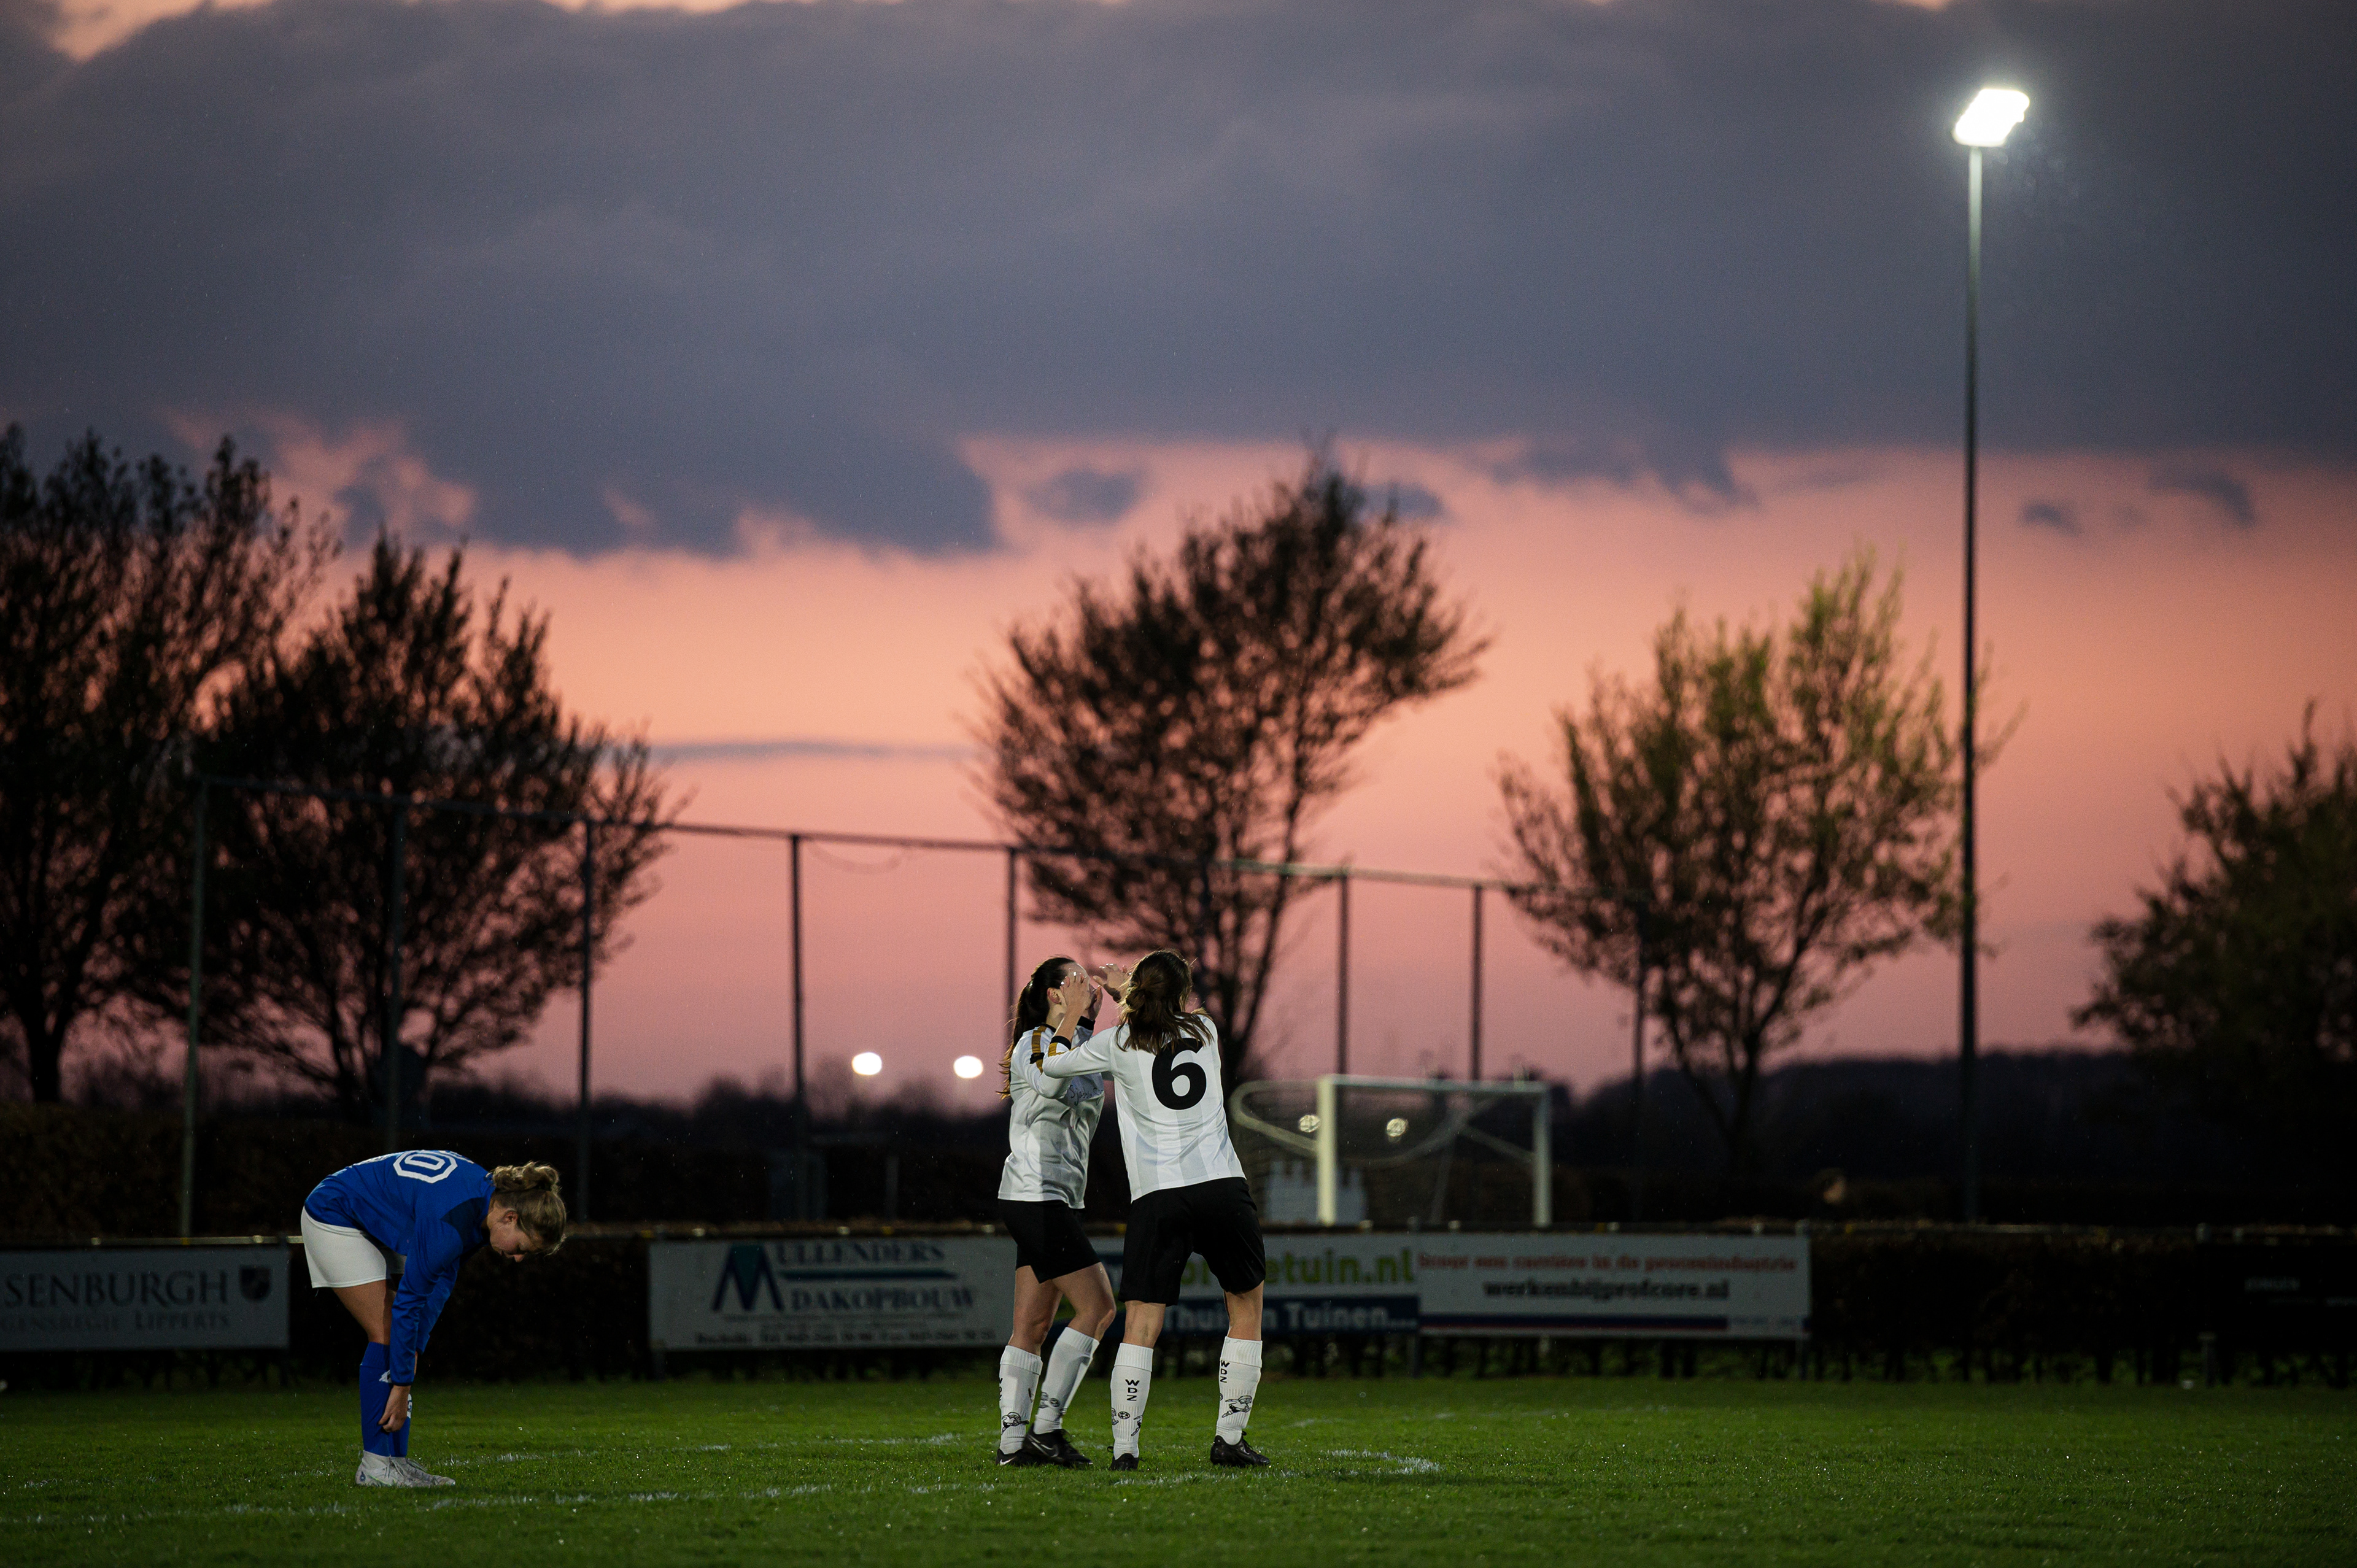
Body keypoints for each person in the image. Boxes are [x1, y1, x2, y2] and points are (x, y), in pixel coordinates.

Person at [1039, 949, 1268, 1470]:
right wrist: (1129, 988)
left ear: (1139, 992)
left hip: (1159, 1195)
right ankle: (1229, 1439)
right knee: (1245, 1305)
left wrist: (1074, 1012)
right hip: (1220, 1186)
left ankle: (1125, 1449)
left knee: (1142, 1321)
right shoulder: (1205, 1029)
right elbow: (1163, 1019)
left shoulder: (1117, 1041)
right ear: (1184, 993)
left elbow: (1052, 1068)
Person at [300, 1151, 567, 1488]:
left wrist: (415, 1348)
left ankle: (396, 1463)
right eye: (522, 1248)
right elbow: (409, 1301)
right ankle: (376, 1466)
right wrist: (402, 1385)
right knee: (387, 1331)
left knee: (401, 1339)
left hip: (366, 1215)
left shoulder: (484, 1202)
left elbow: (441, 1279)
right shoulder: (450, 1221)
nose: (517, 1258)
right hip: (334, 1210)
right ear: (510, 1218)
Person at [994, 956, 1120, 1468]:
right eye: (1077, 979)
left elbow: (1138, 1055)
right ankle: (1047, 1428)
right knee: (1100, 1307)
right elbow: (1049, 1082)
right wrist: (1070, 1020)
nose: (1089, 985)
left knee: (1033, 1323)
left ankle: (1012, 1444)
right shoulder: (1033, 1042)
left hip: (1057, 1199)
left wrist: (1128, 1000)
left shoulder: (1085, 1046)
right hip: (1034, 1195)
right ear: (1053, 993)